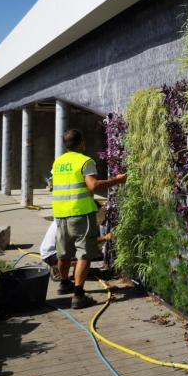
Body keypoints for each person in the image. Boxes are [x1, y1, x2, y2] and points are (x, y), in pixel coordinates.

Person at [52, 129, 126, 309]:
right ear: (81, 142)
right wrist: (117, 180)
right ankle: (78, 295)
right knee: (83, 253)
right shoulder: (85, 161)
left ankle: (64, 283)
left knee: (64, 253)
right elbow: (92, 185)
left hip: (60, 213)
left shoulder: (58, 162)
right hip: (81, 213)